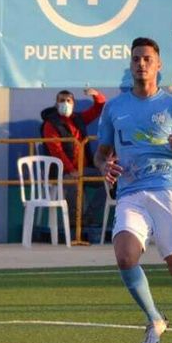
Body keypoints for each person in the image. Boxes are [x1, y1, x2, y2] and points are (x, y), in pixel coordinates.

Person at [95, 37, 172, 343]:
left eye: (147, 59)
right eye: (136, 59)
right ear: (130, 64)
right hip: (130, 193)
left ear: (158, 65)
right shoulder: (114, 108)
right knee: (125, 257)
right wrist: (104, 166)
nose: (141, 64)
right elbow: (101, 153)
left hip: (167, 190)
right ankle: (155, 319)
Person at [39, 87, 104, 235]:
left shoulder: (78, 119)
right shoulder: (51, 124)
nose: (65, 103)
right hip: (62, 172)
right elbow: (57, 151)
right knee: (72, 182)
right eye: (61, 100)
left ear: (73, 103)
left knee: (108, 180)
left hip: (83, 169)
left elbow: (99, 108)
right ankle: (75, 222)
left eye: (68, 101)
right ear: (56, 103)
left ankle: (87, 217)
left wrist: (96, 95)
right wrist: (71, 170)